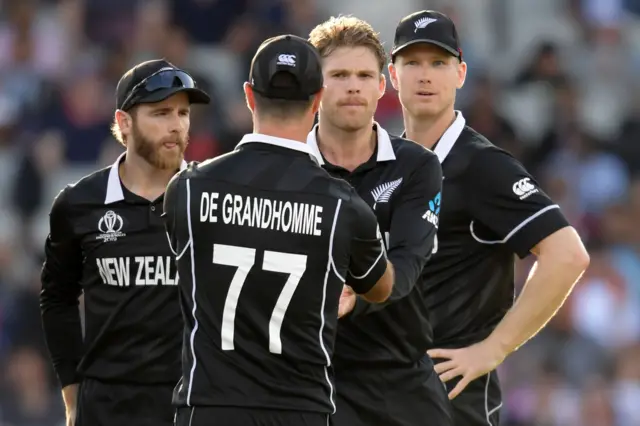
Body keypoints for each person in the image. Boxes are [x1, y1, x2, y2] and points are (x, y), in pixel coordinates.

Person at [164, 34, 395, 426]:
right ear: (318, 100)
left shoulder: (187, 189)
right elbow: (381, 286)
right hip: (300, 411)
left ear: (249, 96)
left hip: (210, 409)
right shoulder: (344, 206)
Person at [388, 10, 591, 426]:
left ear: (461, 73)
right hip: (384, 394)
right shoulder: (387, 165)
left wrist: (494, 348)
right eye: (412, 63)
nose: (425, 75)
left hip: (451, 402)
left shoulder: (482, 166)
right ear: (392, 75)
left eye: (438, 63)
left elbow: (567, 254)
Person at [40, 59, 210, 426]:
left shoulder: (211, 198)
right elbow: (57, 299)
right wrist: (72, 393)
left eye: (183, 113)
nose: (176, 125)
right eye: (161, 112)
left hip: (192, 405)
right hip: (105, 407)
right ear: (124, 122)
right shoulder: (78, 204)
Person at [307, 16, 451, 426]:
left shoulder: (417, 167)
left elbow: (407, 265)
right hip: (311, 379)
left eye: (364, 74)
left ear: (381, 85)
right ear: (314, 87)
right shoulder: (287, 167)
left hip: (400, 377)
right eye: (338, 74)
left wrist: (356, 296)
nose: (353, 85)